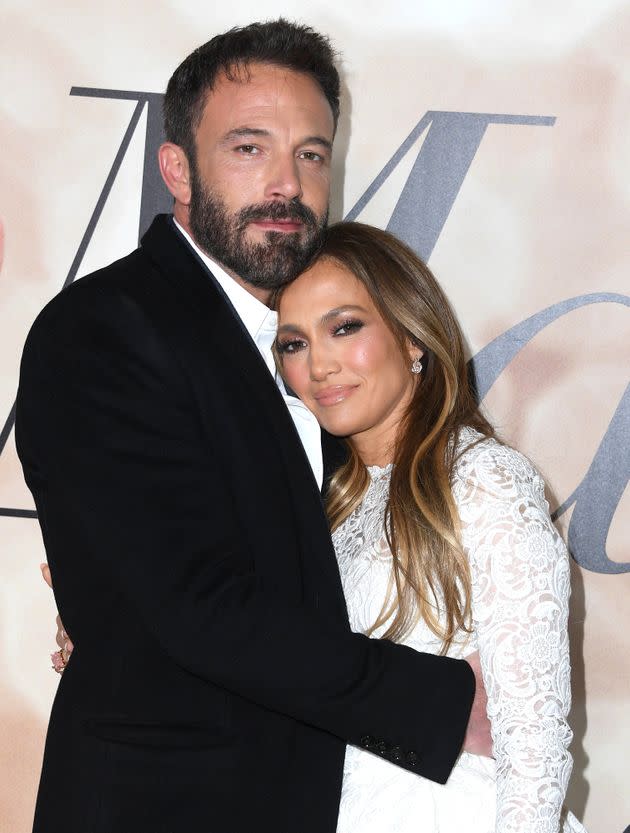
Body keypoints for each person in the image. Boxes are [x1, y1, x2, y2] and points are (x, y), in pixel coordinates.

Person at [16, 20, 489, 833]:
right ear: (178, 169)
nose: (287, 182)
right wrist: (448, 703)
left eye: (311, 152)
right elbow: (199, 606)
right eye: (248, 147)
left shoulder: (317, 352)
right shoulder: (102, 331)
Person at [275, 220, 587, 833]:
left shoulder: (485, 479)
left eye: (344, 328)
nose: (320, 365)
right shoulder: (324, 504)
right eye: (293, 343)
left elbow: (534, 739)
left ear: (412, 336)